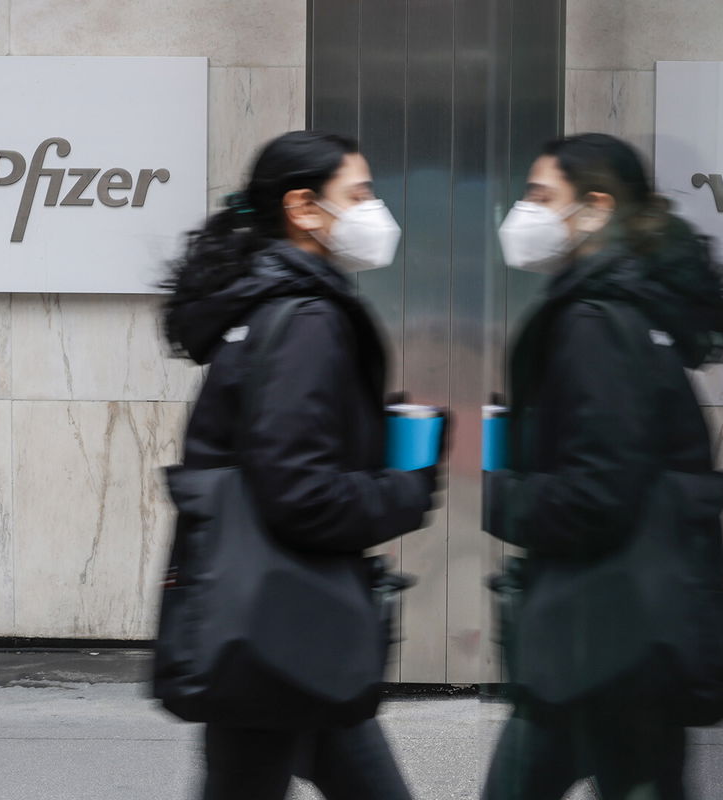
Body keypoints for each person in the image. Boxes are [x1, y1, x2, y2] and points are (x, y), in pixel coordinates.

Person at [161, 130, 438, 800]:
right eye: (361, 192)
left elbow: (277, 450)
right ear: (305, 209)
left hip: (275, 618)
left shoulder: (264, 307)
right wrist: (406, 485)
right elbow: (300, 490)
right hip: (280, 622)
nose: (376, 210)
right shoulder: (305, 316)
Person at [482, 133, 723, 800]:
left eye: (540, 196)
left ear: (595, 208)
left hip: (601, 631)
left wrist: (504, 494)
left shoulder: (596, 320)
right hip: (620, 625)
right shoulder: (628, 307)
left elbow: (599, 489)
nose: (524, 212)